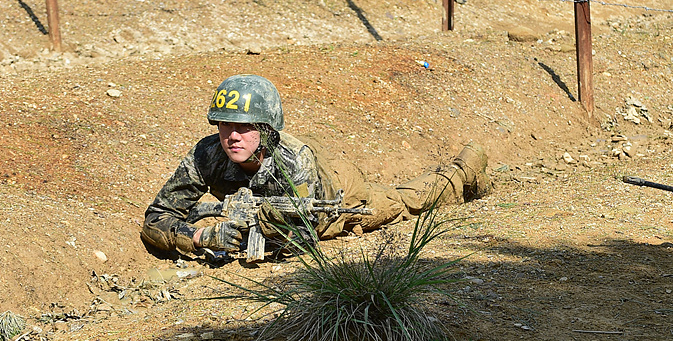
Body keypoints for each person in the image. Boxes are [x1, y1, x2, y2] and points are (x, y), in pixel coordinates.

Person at [141, 74, 491, 257]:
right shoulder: (207, 154)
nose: (232, 136)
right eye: (224, 125)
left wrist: (253, 230)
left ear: (266, 129)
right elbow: (156, 218)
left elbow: (305, 236)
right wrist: (202, 235)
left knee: (401, 202)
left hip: (339, 195)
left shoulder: (294, 160)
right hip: (279, 208)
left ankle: (463, 170)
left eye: (244, 127)